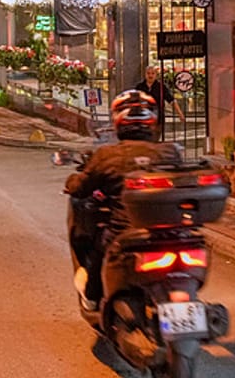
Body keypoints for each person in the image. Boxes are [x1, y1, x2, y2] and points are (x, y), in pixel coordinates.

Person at [65, 89, 182, 310]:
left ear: (118, 121)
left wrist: (71, 182)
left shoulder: (107, 156)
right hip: (170, 232)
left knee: (97, 250)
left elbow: (80, 187)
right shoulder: (170, 152)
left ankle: (92, 296)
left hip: (124, 233)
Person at [133, 66, 184, 141]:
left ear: (156, 75)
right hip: (143, 119)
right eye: (148, 73)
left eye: (152, 73)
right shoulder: (139, 87)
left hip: (158, 119)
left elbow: (171, 100)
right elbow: (134, 101)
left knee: (155, 139)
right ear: (145, 74)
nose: (150, 75)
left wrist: (180, 113)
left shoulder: (161, 87)